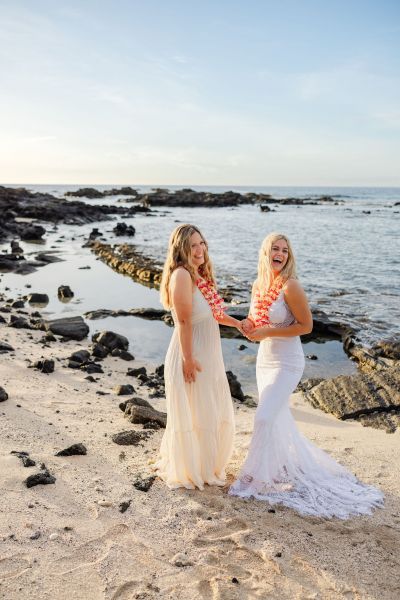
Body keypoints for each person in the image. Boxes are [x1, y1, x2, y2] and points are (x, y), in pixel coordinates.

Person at [229, 232, 384, 519]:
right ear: (265, 253)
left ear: (289, 256)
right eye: (274, 248)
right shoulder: (258, 285)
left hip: (287, 361)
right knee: (273, 416)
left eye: (284, 250)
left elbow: (306, 326)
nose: (279, 253)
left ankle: (256, 479)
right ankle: (269, 469)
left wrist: (267, 331)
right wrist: (249, 326)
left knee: (263, 417)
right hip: (265, 358)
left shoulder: (291, 286)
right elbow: (257, 319)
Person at [155, 224, 242, 490]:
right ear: (181, 249)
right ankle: (196, 469)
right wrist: (188, 359)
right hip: (191, 352)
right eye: (193, 245)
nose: (200, 249)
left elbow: (214, 313)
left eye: (202, 243)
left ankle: (206, 464)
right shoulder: (182, 275)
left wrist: (239, 324)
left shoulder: (199, 276)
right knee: (199, 411)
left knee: (208, 408)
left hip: (207, 351)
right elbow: (183, 321)